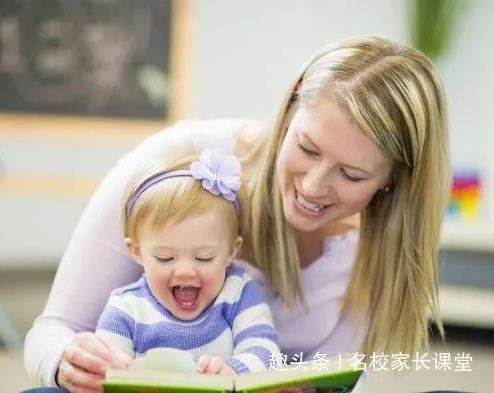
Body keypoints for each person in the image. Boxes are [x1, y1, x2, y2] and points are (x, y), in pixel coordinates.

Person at [24, 35, 449, 392]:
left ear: (392, 180)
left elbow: (337, 379)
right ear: (293, 105)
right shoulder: (176, 166)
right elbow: (53, 329)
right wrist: (65, 360)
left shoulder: (377, 250)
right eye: (307, 148)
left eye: (352, 174)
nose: (314, 186)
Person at [94, 149, 280, 376]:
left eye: (204, 257)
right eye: (165, 258)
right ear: (137, 251)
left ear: (231, 251)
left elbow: (266, 351)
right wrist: (114, 370)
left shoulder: (238, 293)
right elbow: (106, 370)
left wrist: (233, 370)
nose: (184, 271)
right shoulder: (126, 309)